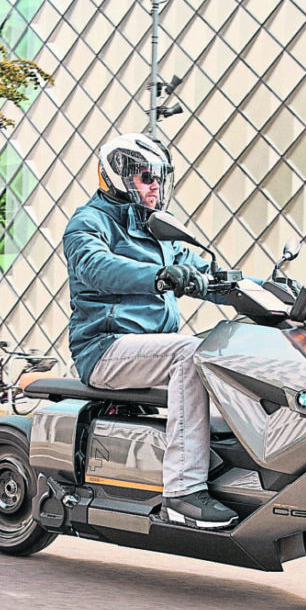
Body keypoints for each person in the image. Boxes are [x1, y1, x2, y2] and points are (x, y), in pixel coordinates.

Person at [63, 132, 237, 529]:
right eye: (145, 177)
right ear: (118, 177)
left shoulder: (159, 233)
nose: (155, 185)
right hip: (105, 348)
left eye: (159, 177)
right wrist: (160, 277)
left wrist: (278, 292)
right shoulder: (88, 222)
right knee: (189, 353)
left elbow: (210, 275)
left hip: (147, 352)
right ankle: (183, 493)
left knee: (228, 349)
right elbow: (96, 267)